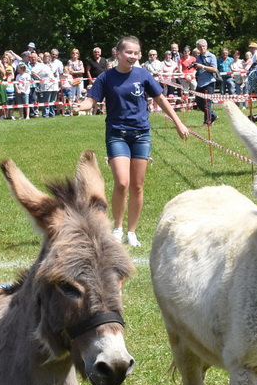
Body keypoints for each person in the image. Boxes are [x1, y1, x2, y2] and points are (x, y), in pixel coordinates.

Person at [80, 36, 190, 246]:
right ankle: (117, 228)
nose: (132, 56)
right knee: (122, 182)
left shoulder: (143, 74)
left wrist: (178, 123)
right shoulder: (106, 77)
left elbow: (160, 99)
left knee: (137, 186)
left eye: (136, 53)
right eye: (128, 52)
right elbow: (92, 100)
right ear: (118, 53)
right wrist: (80, 106)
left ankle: (132, 232)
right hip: (117, 133)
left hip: (141, 134)